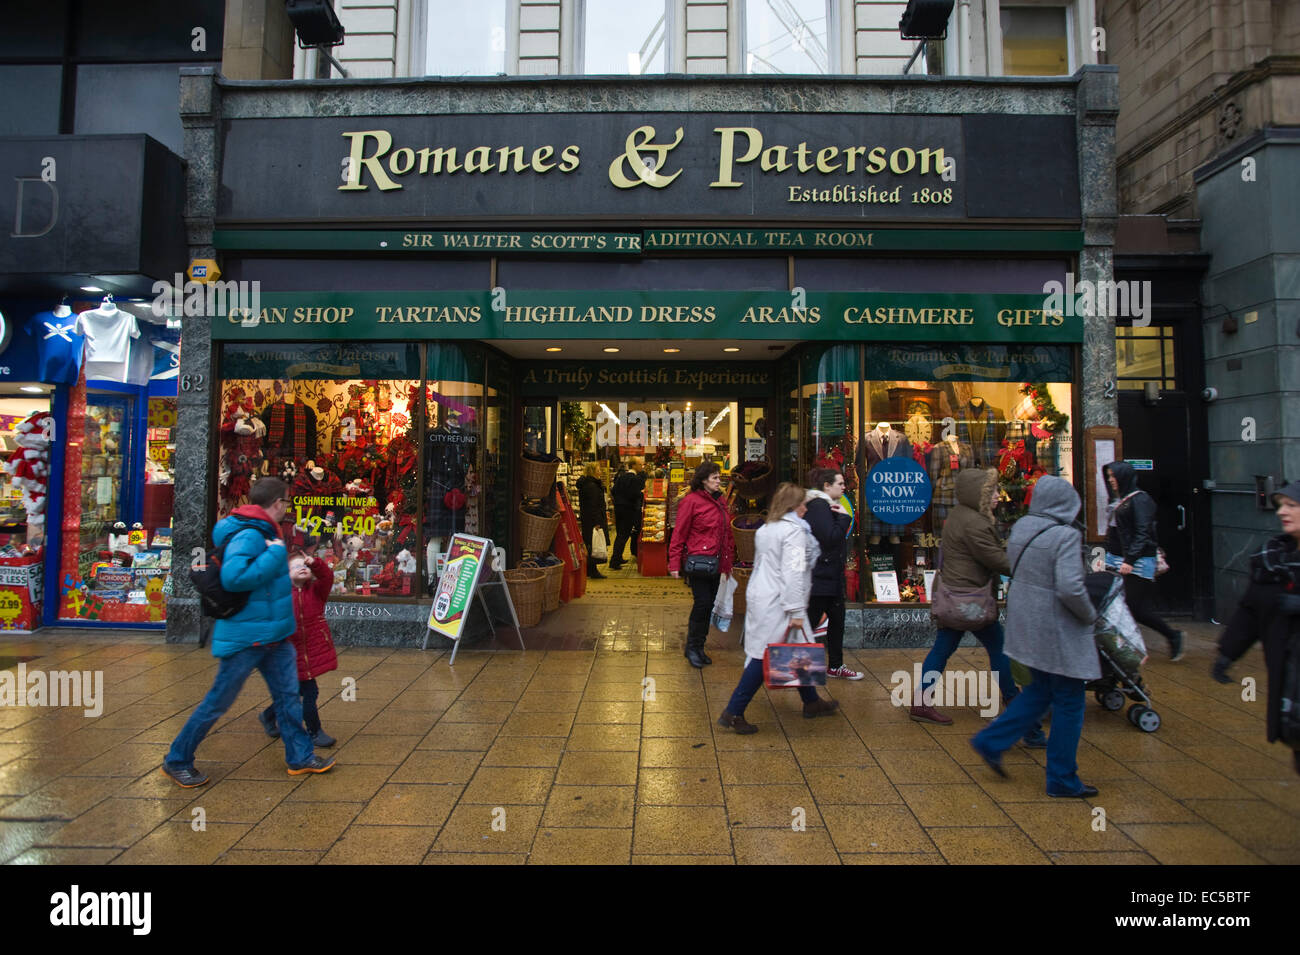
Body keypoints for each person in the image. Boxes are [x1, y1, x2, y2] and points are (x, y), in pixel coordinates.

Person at [162, 477, 335, 787]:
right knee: (218, 702)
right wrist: (273, 555)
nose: (287, 508)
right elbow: (234, 578)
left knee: (287, 697)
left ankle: (300, 757)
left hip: (274, 634)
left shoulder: (266, 533)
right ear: (278, 503)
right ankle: (178, 759)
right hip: (247, 637)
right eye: (287, 502)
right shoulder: (251, 536)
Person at [971, 476, 1099, 797]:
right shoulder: (1066, 536)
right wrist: (1089, 614)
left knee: (1039, 691)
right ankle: (1062, 777)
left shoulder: (1022, 528)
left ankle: (991, 741)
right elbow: (1070, 588)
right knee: (1070, 699)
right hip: (1056, 629)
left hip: (1026, 623)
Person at [914, 469, 1043, 745]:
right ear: (978, 495)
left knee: (944, 648)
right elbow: (998, 559)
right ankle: (1017, 708)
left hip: (957, 595)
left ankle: (921, 701)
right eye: (992, 491)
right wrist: (1032, 567)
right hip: (969, 599)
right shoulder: (975, 523)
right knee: (998, 649)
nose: (998, 496)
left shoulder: (960, 514)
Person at [717, 483, 839, 732]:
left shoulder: (769, 528)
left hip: (765, 596)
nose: (806, 508)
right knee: (763, 657)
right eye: (803, 504)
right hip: (781, 602)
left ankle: (811, 701)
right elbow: (794, 572)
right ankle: (733, 711)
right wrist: (795, 610)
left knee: (798, 650)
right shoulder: (794, 532)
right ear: (793, 506)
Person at [1213, 480, 1300, 776]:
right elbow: (1251, 609)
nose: (1282, 512)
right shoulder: (1272, 558)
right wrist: (1228, 653)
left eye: (1292, 505)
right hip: (1290, 674)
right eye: (1281, 505)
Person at [1102, 460, 1184, 660]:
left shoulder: (1140, 500)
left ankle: (1171, 636)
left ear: (1123, 477)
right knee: (1123, 605)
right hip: (1118, 557)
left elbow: (1142, 532)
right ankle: (1125, 646)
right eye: (1109, 476)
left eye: (1114, 476)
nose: (1111, 480)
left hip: (1135, 561)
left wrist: (1130, 559)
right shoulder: (1120, 500)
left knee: (1134, 606)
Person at [258, 549, 339, 748]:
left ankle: (268, 715)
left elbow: (327, 576)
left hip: (310, 651)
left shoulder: (317, 591)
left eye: (305, 565)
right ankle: (314, 730)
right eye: (295, 566)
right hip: (289, 654)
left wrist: (315, 563)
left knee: (295, 691)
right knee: (308, 692)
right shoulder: (281, 594)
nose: (302, 568)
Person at [669, 461, 735, 668]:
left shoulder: (721, 501)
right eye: (715, 477)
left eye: (719, 477)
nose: (719, 481)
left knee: (708, 605)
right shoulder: (691, 501)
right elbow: (679, 532)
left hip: (716, 562)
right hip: (698, 561)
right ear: (704, 480)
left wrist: (728, 561)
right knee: (702, 604)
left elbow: (726, 533)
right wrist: (674, 563)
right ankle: (691, 648)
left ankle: (699, 647)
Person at [804, 467, 863, 680]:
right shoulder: (819, 506)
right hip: (822, 577)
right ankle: (799, 669)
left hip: (829, 576)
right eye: (840, 483)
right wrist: (845, 518)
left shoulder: (825, 505)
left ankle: (835, 665)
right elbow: (829, 538)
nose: (844, 487)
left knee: (837, 622)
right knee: (810, 624)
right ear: (826, 486)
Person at [576, 462, 610, 580]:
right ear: (593, 471)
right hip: (592, 520)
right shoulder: (591, 486)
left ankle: (590, 569)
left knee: (590, 544)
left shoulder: (588, 484)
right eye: (598, 469)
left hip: (587, 519)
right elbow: (593, 505)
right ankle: (593, 570)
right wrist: (597, 522)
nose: (600, 471)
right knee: (593, 545)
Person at [609, 460, 646, 571]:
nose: (641, 466)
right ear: (633, 465)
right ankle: (614, 561)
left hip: (619, 508)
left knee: (620, 534)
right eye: (640, 464)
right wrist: (642, 493)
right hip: (628, 510)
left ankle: (618, 557)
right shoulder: (634, 479)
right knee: (624, 535)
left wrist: (618, 501)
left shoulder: (621, 477)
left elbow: (614, 490)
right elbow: (633, 494)